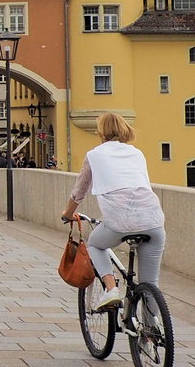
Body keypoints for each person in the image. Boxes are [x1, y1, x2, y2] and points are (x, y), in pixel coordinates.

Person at [59, 113, 165, 309]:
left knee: (95, 245)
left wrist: (68, 213)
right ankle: (151, 334)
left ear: (101, 132)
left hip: (119, 220)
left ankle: (111, 289)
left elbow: (79, 191)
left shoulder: (95, 155)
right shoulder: (136, 153)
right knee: (151, 283)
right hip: (153, 219)